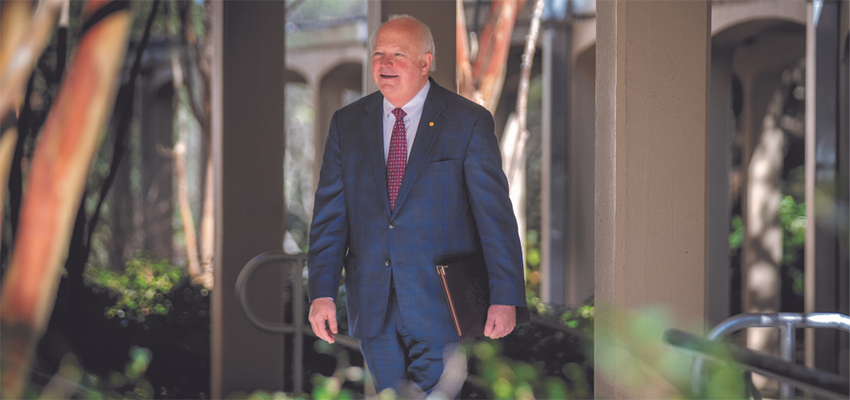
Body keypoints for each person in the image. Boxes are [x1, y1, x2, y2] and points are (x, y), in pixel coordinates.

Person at [307, 14, 526, 397]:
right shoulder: (347, 123)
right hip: (374, 304)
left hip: (443, 305)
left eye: (398, 54)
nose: (384, 64)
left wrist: (505, 296)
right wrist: (321, 292)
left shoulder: (467, 122)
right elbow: (330, 217)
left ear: (426, 63)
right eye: (378, 54)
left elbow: (496, 218)